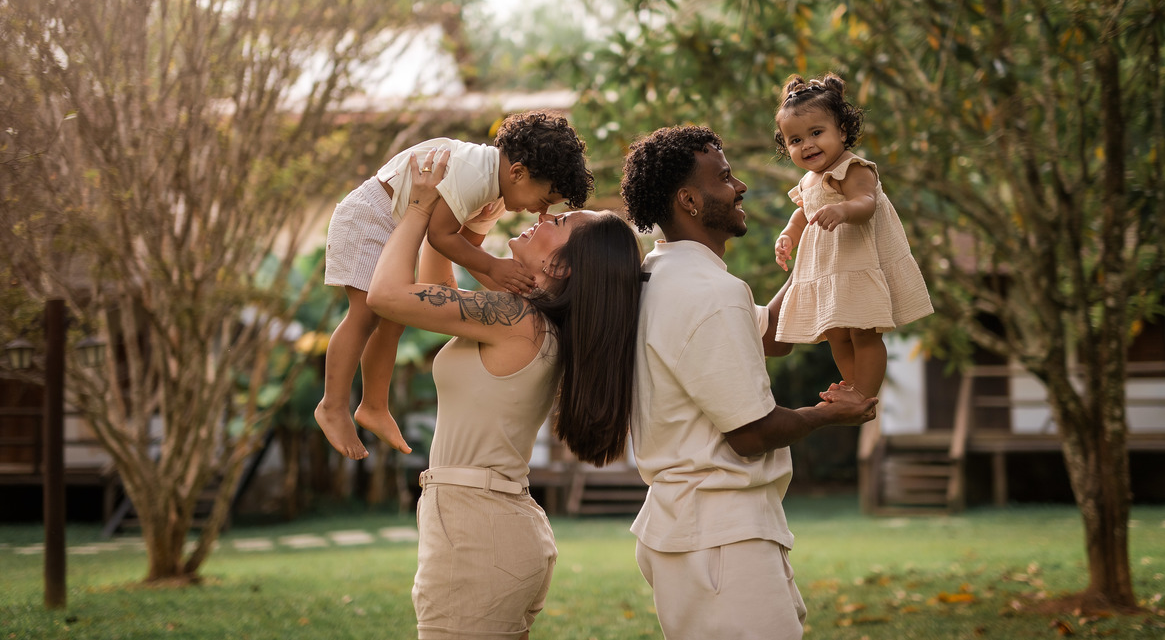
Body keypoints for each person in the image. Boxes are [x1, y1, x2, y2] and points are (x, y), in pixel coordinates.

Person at [366, 148, 643, 640]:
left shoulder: (517, 321)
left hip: (479, 531)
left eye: (559, 222)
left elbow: (386, 295)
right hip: (490, 526)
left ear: (563, 267)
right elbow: (436, 287)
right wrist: (465, 222)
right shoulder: (528, 320)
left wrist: (420, 207)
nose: (542, 216)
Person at [619, 124, 879, 640]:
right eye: (725, 177)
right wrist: (832, 413)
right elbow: (751, 433)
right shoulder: (705, 292)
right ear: (689, 200)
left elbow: (774, 336)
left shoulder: (668, 276)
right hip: (719, 540)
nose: (739, 187)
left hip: (708, 533)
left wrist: (818, 250)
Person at [318, 111, 594, 460]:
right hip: (371, 215)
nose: (539, 211)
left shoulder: (494, 198)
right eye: (545, 198)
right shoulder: (475, 174)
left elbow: (469, 251)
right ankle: (333, 405)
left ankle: (373, 406)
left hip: (399, 222)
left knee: (392, 320)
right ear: (518, 172)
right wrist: (496, 267)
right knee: (364, 315)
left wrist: (515, 285)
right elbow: (440, 236)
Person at [772, 73, 933, 410]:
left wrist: (845, 210)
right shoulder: (808, 180)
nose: (808, 145)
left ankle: (865, 393)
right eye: (796, 140)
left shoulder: (853, 167)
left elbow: (866, 203)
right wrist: (789, 235)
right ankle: (854, 385)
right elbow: (804, 213)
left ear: (842, 131)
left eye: (817, 133)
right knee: (836, 332)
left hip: (857, 264)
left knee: (862, 331)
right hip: (831, 271)